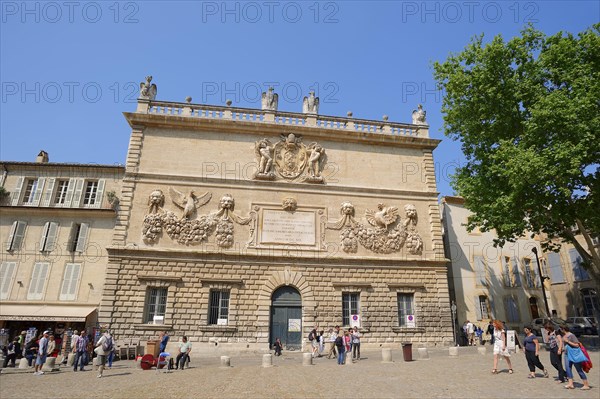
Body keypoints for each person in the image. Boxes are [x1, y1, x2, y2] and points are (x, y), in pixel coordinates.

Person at [561, 325, 590, 390]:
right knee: (568, 369)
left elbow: (577, 345)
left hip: (574, 355)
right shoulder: (564, 336)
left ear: (563, 329)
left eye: (561, 329)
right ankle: (570, 384)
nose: (560, 330)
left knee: (578, 369)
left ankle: (586, 384)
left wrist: (568, 341)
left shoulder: (571, 335)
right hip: (566, 354)